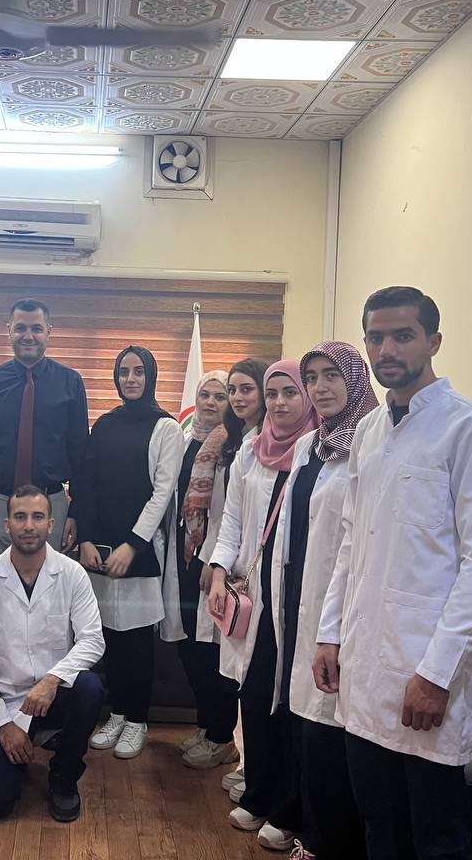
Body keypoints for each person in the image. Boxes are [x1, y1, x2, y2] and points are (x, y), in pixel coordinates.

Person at [313, 287, 472, 860]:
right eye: (376, 337)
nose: (387, 350)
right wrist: (329, 634)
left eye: (402, 336)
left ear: (433, 341)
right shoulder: (370, 430)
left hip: (424, 669)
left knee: (436, 839)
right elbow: (351, 541)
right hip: (364, 667)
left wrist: (436, 675)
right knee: (378, 823)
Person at [263, 342, 379, 860]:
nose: (319, 387)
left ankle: (327, 841)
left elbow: (356, 539)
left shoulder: (371, 442)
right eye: (311, 377)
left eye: (331, 375)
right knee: (303, 722)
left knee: (330, 730)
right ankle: (307, 825)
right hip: (299, 595)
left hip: (343, 602)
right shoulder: (312, 443)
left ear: (353, 378)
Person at [208, 361, 319, 851]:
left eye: (289, 392)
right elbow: (231, 520)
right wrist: (218, 569)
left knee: (292, 702)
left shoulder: (319, 452)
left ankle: (289, 808)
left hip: (301, 598)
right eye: (272, 394)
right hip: (257, 595)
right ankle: (257, 793)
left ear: (306, 398)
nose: (279, 402)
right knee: (254, 695)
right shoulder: (252, 451)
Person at [0, 485, 106, 823]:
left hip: (55, 695)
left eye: (37, 517)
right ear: (6, 524)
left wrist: (52, 679)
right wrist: (3, 726)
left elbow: (92, 640)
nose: (29, 526)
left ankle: (64, 776)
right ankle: (20, 744)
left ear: (51, 525)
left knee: (89, 688)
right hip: (6, 700)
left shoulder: (72, 574)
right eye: (20, 517)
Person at [74, 346, 184, 760]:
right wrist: (86, 538)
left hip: (139, 550)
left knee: (136, 639)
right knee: (108, 637)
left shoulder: (166, 427)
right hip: (99, 550)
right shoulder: (105, 424)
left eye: (139, 371)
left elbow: (162, 492)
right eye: (124, 372)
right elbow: (86, 483)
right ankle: (117, 713)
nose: (131, 379)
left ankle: (137, 719)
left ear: (151, 376)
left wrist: (133, 545)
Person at [0, 298, 89, 564]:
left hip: (50, 503)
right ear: (8, 330)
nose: (28, 336)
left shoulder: (71, 383)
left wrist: (76, 512)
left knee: (48, 582)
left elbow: (80, 454)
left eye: (36, 328)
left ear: (48, 332)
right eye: (20, 328)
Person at [161, 369, 241, 770]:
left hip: (212, 561)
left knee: (212, 651)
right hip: (182, 554)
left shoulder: (232, 445)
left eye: (220, 396)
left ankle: (222, 736)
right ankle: (206, 723)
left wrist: (214, 558)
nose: (210, 402)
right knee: (188, 646)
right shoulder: (185, 439)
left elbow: (230, 512)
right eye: (205, 395)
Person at [207, 357, 270, 798]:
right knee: (243, 675)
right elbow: (232, 518)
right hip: (242, 575)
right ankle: (249, 763)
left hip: (276, 580)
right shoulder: (245, 445)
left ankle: (258, 769)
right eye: (234, 390)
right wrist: (218, 570)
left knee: (261, 678)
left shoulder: (302, 446)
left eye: (248, 388)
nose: (237, 397)